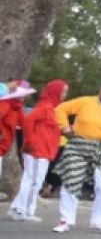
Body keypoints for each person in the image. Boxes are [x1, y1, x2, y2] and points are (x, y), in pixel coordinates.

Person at [52, 77, 101, 234]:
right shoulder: (86, 101)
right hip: (78, 144)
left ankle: (99, 221)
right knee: (71, 178)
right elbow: (60, 109)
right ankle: (66, 219)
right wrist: (64, 127)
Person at [8, 79, 66, 223]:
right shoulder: (45, 107)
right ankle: (23, 210)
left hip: (42, 150)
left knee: (33, 179)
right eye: (63, 91)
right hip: (37, 150)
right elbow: (28, 122)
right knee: (34, 180)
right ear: (55, 92)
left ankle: (18, 207)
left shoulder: (50, 108)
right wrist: (30, 142)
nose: (64, 95)